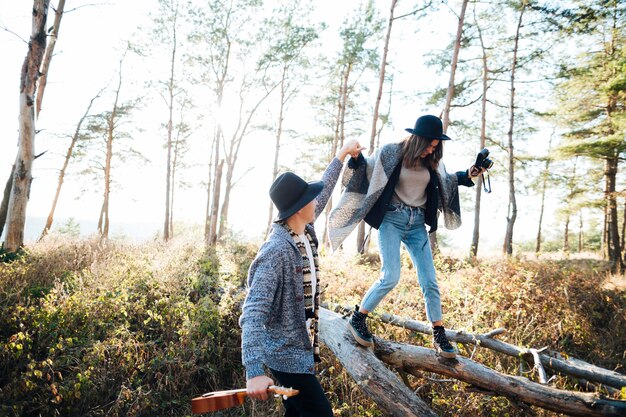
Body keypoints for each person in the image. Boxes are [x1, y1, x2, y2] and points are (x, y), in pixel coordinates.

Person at [328, 115, 484, 358]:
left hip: (417, 225)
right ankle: (358, 317)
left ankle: (439, 334)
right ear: (418, 140)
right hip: (392, 219)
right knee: (390, 276)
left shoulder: (433, 162)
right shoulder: (391, 153)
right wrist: (355, 157)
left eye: (436, 146)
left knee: (430, 281)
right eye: (430, 144)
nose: (433, 150)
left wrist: (471, 173)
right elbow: (367, 170)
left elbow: (447, 181)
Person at [239, 139, 365, 417]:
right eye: (310, 198)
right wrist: (254, 371)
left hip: (301, 352)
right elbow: (252, 313)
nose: (316, 201)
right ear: (298, 208)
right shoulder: (275, 252)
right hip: (286, 357)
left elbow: (325, 189)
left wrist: (341, 156)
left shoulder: (304, 230)